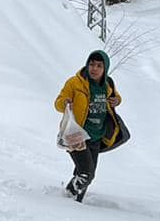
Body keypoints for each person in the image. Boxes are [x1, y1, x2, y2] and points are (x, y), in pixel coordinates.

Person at [53, 49, 126, 202]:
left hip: (96, 136)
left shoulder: (108, 84)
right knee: (87, 173)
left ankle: (75, 202)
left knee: (84, 172)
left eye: (99, 65)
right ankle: (68, 196)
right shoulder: (74, 83)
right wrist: (65, 103)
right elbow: (58, 103)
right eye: (92, 64)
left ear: (105, 68)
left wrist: (117, 100)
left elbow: (115, 96)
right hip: (75, 134)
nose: (94, 68)